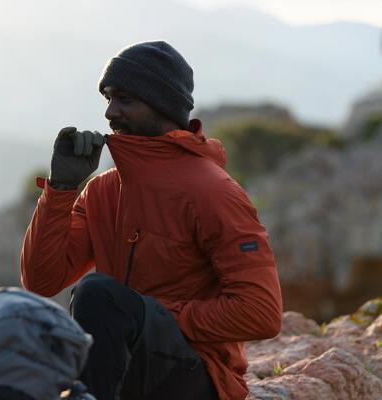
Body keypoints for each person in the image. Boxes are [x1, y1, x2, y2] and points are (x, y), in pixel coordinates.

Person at [21, 40, 283, 400]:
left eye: (125, 99)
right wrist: (61, 188)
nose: (110, 113)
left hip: (200, 376)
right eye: (108, 98)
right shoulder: (102, 190)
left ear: (162, 105)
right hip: (126, 368)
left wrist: (149, 315)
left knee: (98, 295)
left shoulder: (213, 192)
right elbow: (40, 281)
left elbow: (261, 313)